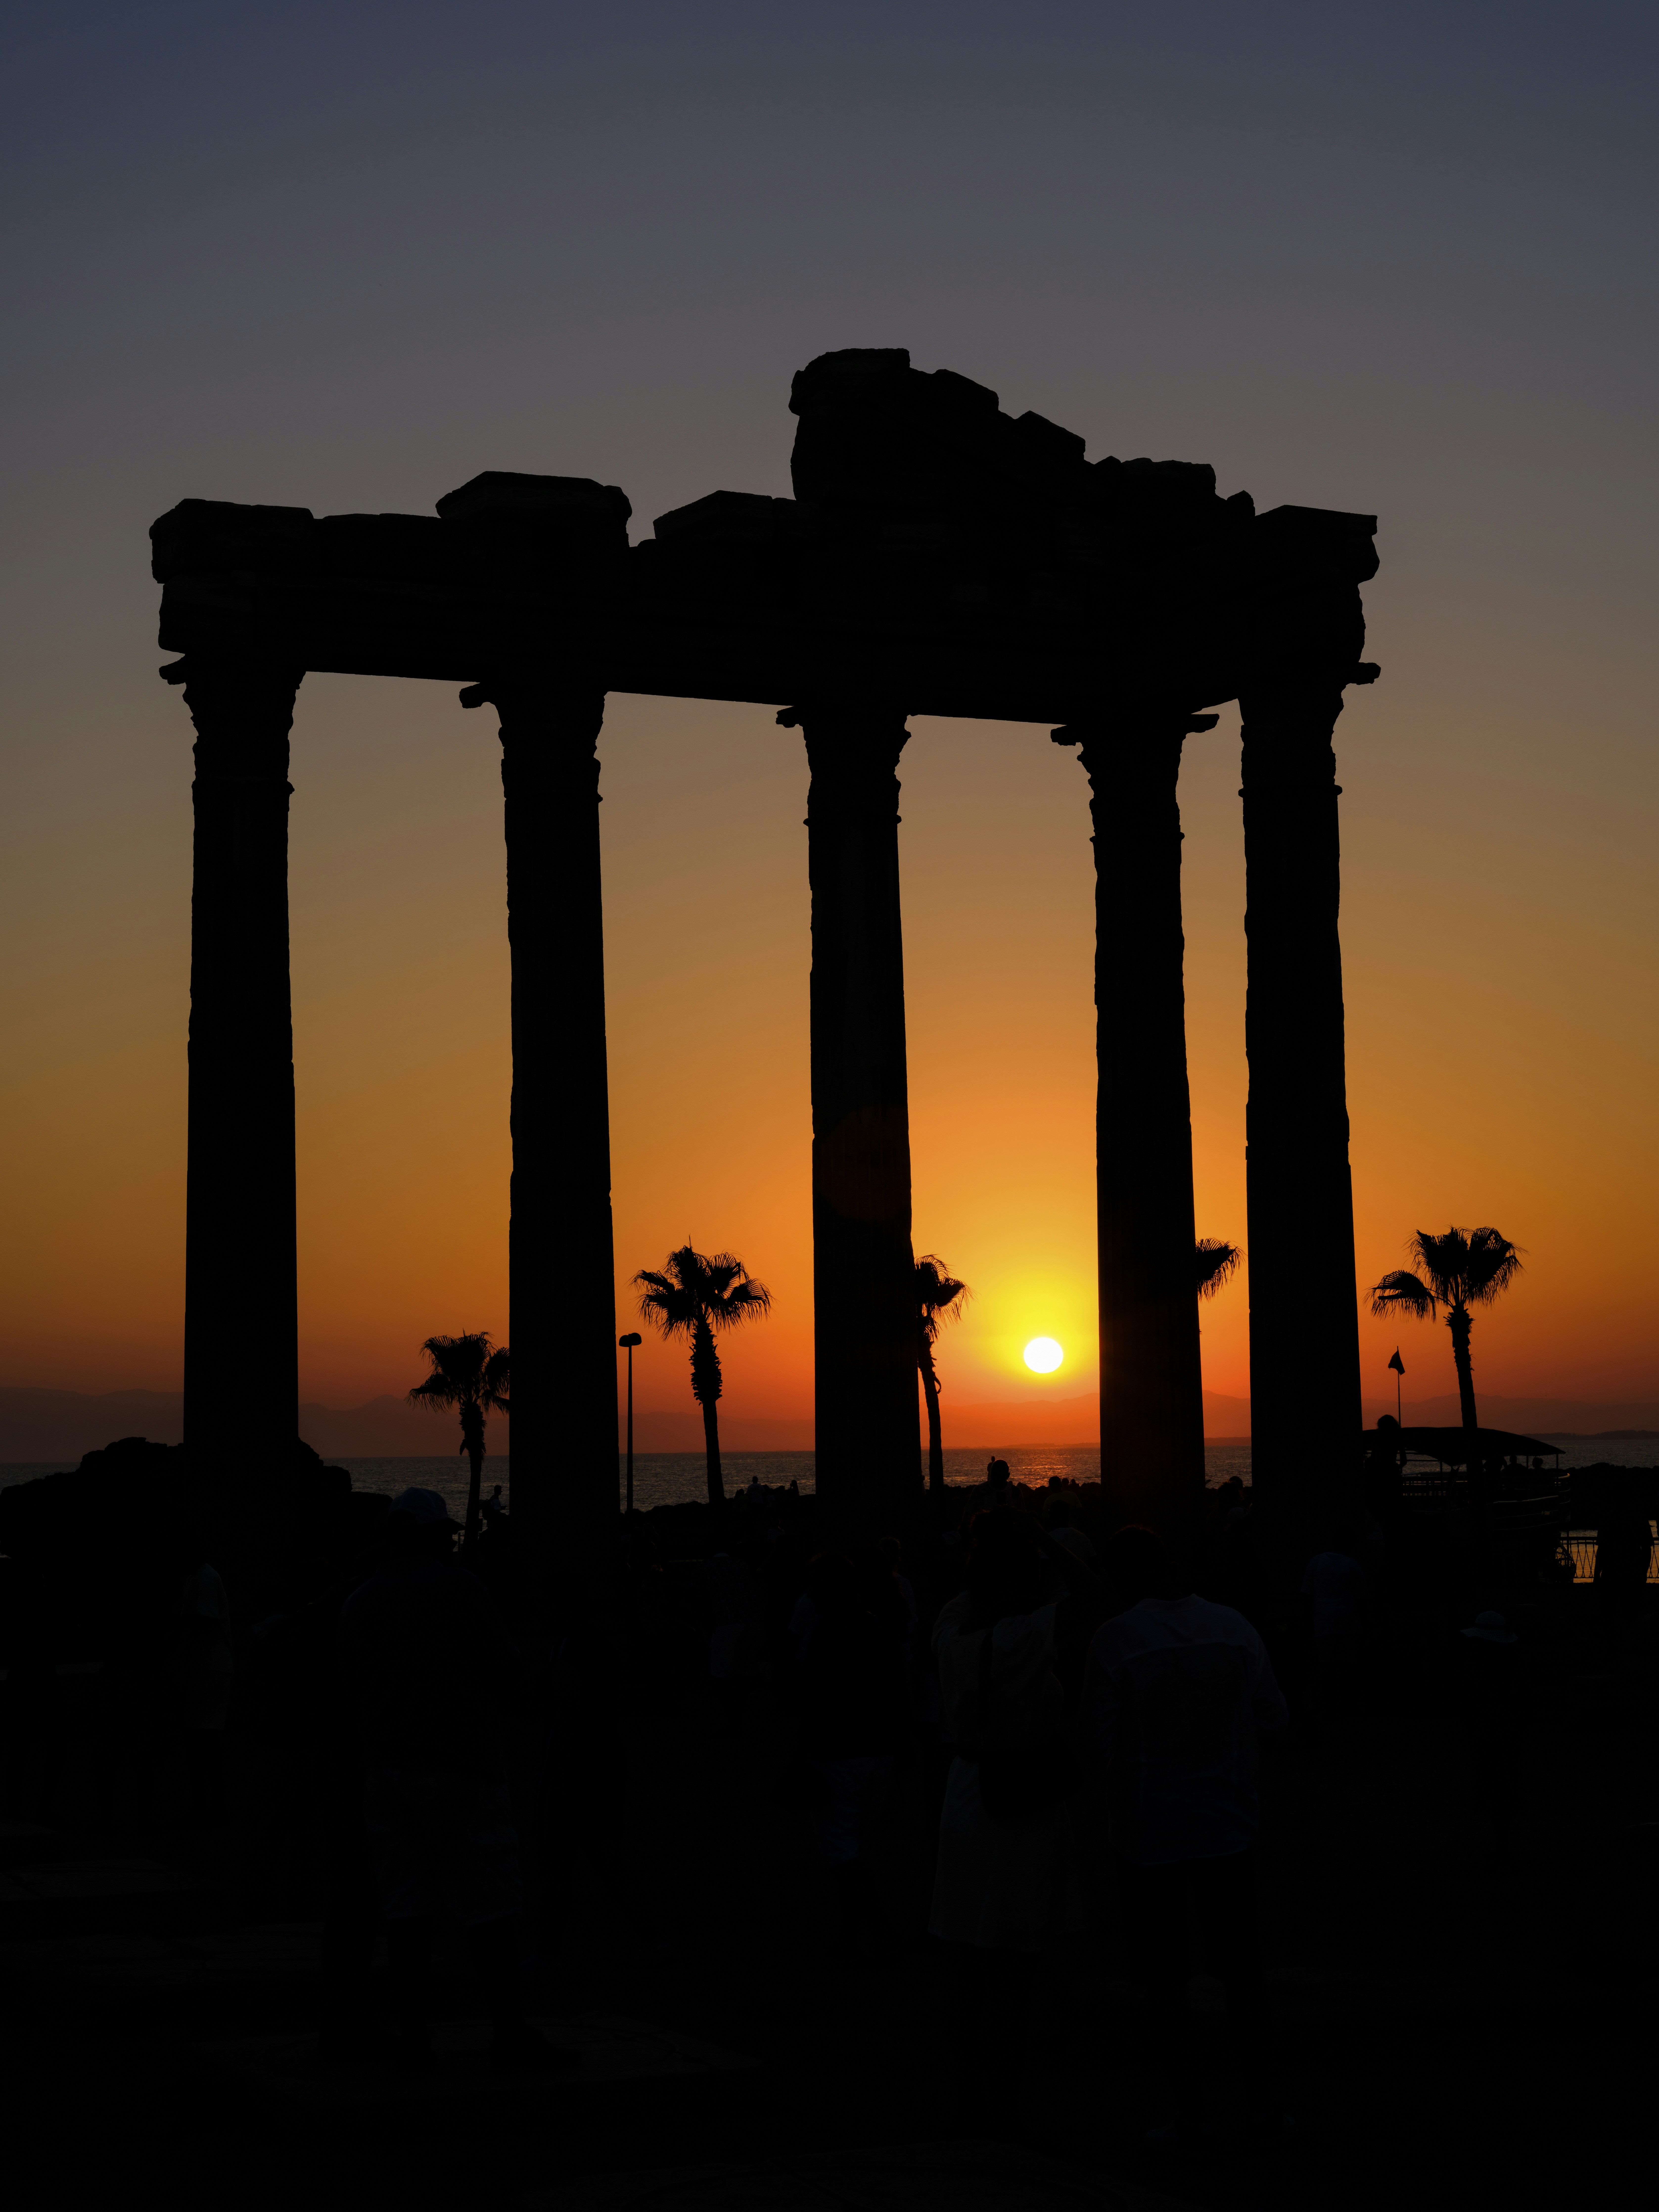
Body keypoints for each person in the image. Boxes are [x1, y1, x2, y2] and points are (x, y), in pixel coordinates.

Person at [338, 1487, 571, 2077]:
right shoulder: (459, 1591)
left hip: (386, 1768)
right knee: (490, 1901)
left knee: (406, 1906)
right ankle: (508, 2032)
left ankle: (416, 2037)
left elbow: (346, 1690)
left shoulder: (360, 1603)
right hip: (461, 1765)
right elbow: (508, 1670)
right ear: (433, 1538)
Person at [1086, 1524, 1288, 2143]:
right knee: (1243, 1972)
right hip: (1227, 1821)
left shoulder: (1116, 1640)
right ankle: (1265, 2106)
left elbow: (1096, 1748)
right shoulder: (1235, 1627)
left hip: (1150, 1833)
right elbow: (1275, 1717)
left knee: (1165, 1978)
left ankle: (1190, 2112)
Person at [930, 1509, 1094, 2119]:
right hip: (1024, 1796)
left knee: (968, 1950)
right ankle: (1005, 2087)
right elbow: (1099, 1598)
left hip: (967, 1790)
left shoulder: (951, 1626)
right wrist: (1047, 1540)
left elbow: (969, 1588)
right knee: (1018, 1956)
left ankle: (970, 2086)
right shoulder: (1028, 1633)